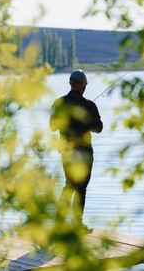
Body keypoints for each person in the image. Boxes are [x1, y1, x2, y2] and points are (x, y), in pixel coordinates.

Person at [50, 69, 103, 233]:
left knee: (69, 185)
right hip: (85, 152)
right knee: (81, 188)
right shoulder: (89, 105)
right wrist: (88, 125)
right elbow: (99, 128)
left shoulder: (59, 103)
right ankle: (76, 224)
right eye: (85, 84)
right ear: (82, 85)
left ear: (70, 83)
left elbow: (53, 126)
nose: (85, 86)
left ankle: (59, 223)